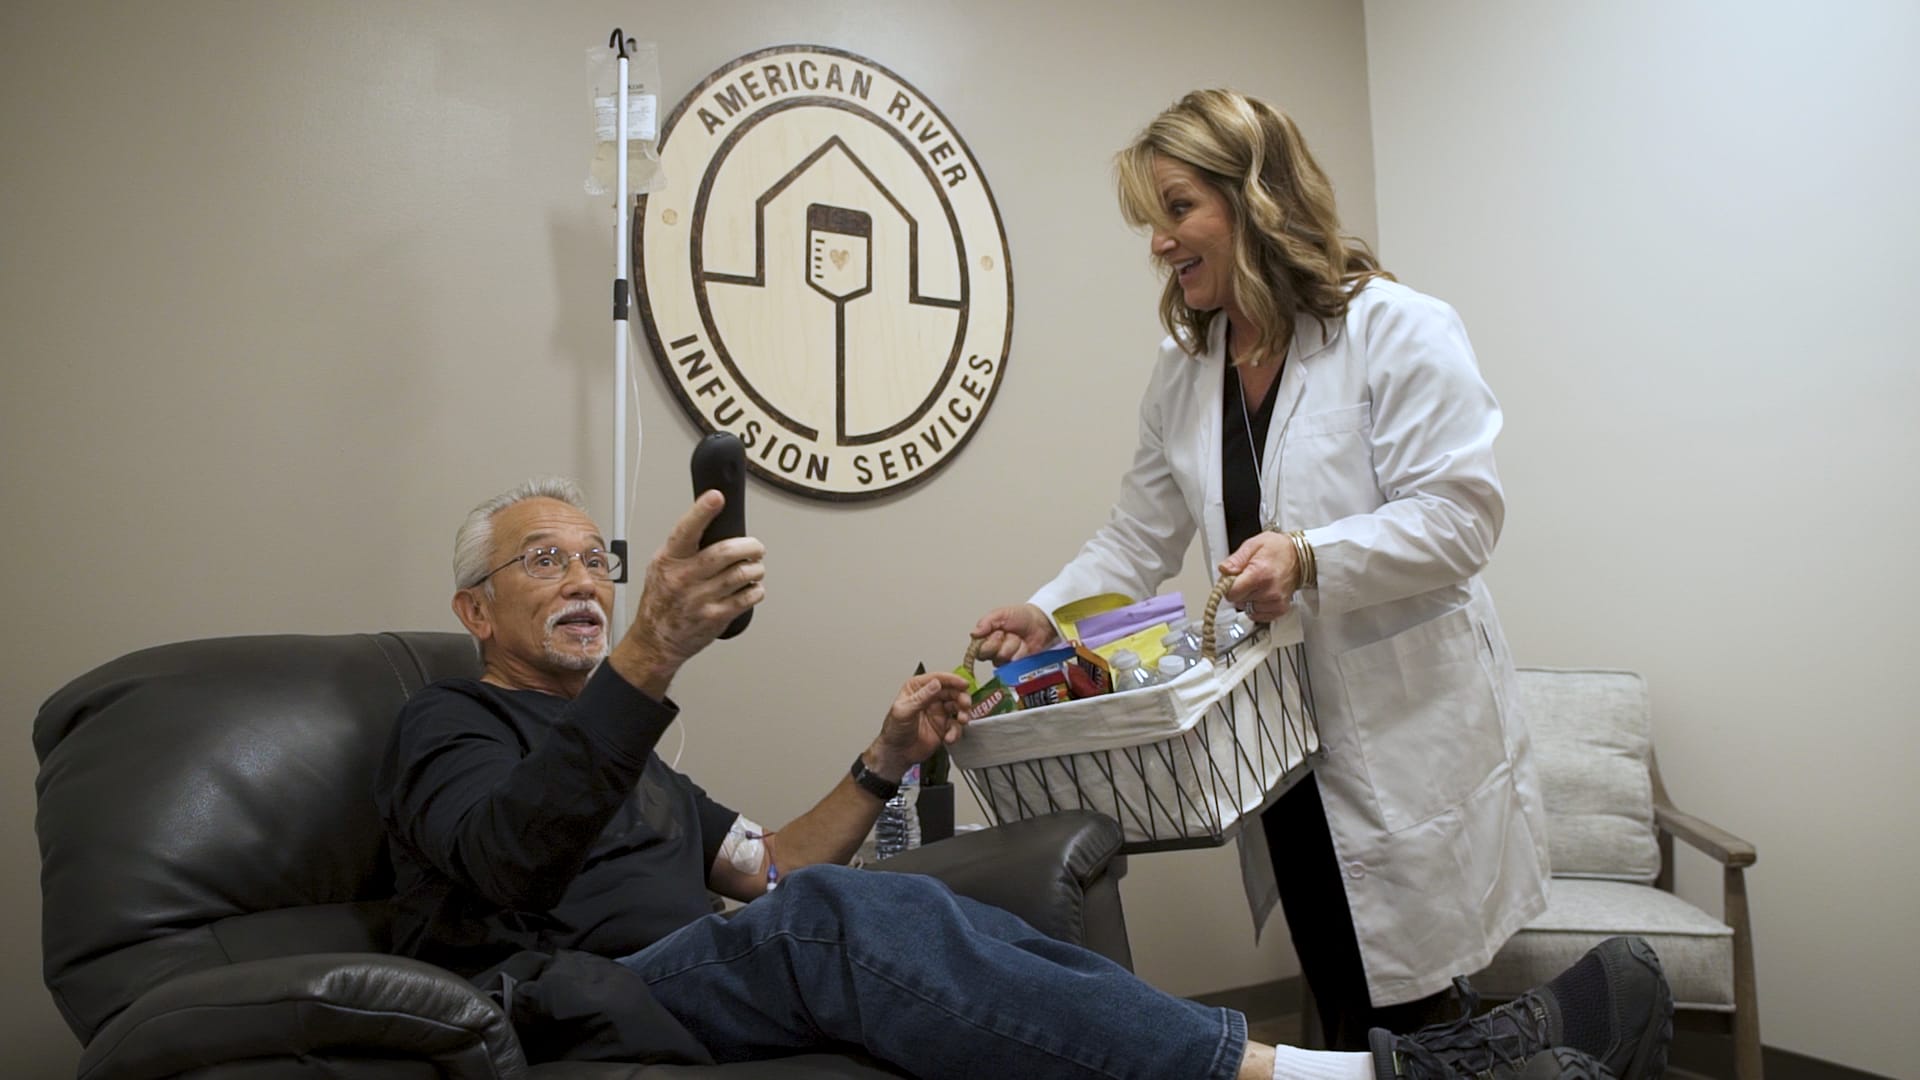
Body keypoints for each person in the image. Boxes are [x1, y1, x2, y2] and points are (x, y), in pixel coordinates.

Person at [375, 477, 1667, 1079]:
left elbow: (769, 864)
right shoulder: (446, 723)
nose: (584, 579)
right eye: (542, 561)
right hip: (579, 1004)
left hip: (695, 975)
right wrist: (652, 654)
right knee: (824, 921)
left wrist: (883, 760)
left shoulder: (636, 761)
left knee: (902, 908)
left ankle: (1391, 1067)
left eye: (592, 559)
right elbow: (503, 863)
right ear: (474, 611)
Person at [971, 89, 1551, 1050]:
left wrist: (1312, 557)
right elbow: (1136, 537)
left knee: (1419, 1010)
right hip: (1277, 739)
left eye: (1178, 208)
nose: (1160, 242)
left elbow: (1461, 517)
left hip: (1404, 728)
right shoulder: (1185, 369)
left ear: (1256, 197)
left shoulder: (1395, 328)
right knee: (1338, 980)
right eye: (1152, 219)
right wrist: (1048, 614)